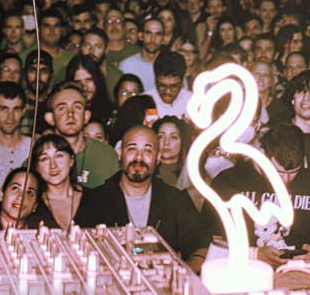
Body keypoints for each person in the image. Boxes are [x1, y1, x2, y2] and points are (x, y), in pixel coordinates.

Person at [77, 125, 208, 272]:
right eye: (132, 149)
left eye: (147, 150)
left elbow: (200, 245)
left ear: (158, 157)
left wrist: (183, 275)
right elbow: (79, 248)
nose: (139, 157)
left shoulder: (175, 200)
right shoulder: (95, 200)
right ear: (120, 153)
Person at [203, 124, 310, 266]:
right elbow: (208, 244)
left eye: (293, 172)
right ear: (261, 154)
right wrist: (254, 254)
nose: (285, 180)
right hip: (244, 268)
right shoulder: (228, 182)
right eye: (278, 172)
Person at [44, 81, 119, 189]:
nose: (70, 114)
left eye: (77, 107)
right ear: (50, 118)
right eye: (62, 108)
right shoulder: (40, 159)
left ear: (86, 116)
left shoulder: (107, 155)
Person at [0, 82, 31, 209]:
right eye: (4, 109)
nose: (10, 117)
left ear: (23, 111)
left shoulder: (33, 148)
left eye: (16, 109)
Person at [33, 134, 85, 230]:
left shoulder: (96, 198)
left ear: (71, 161)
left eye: (59, 156)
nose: (53, 165)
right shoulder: (32, 205)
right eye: (44, 159)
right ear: (37, 168)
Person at [118, 17, 164, 94]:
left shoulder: (171, 66)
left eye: (158, 34)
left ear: (163, 39)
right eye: (148, 33)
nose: (153, 39)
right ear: (141, 36)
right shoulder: (127, 65)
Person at [66, 52, 113, 122]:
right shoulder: (67, 115)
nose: (85, 87)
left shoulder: (111, 113)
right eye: (78, 82)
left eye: (89, 80)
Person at [149, 49, 192, 119]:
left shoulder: (193, 102)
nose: (167, 92)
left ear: (182, 81)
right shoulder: (143, 102)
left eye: (174, 87)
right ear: (155, 80)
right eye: (162, 86)